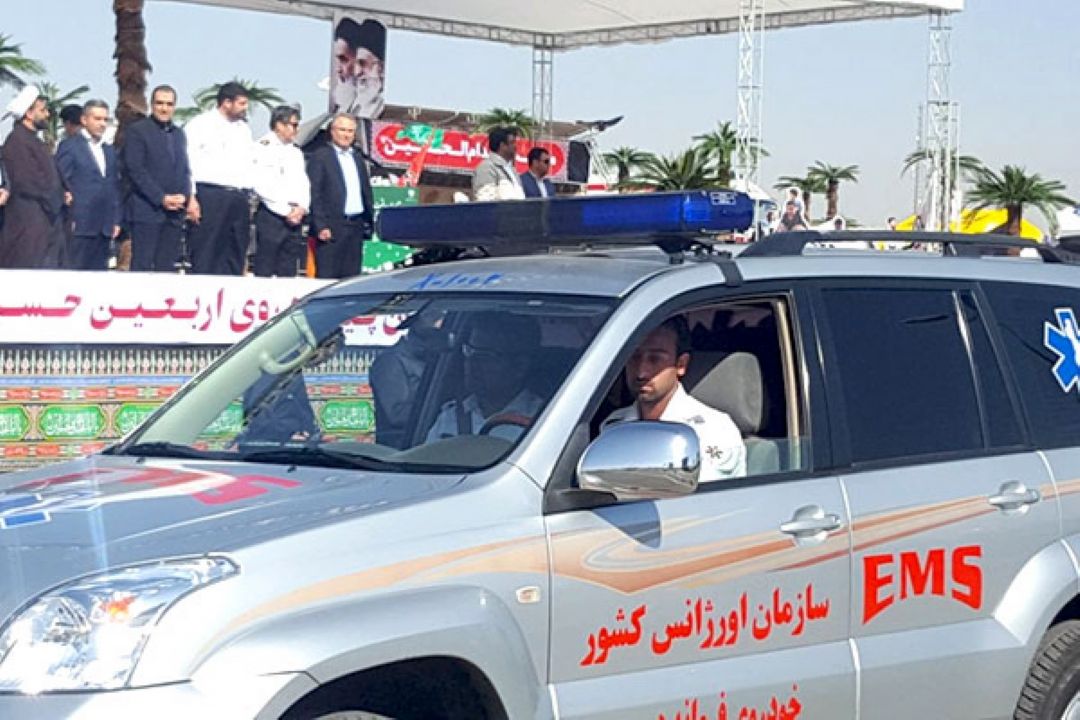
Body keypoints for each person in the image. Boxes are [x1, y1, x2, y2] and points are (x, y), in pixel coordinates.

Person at [602, 315, 746, 481]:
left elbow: (706, 494)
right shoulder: (612, 426)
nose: (641, 372)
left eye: (655, 359)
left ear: (681, 365)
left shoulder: (714, 429)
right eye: (634, 357)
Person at [426, 313, 543, 442]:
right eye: (469, 351)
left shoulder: (543, 420)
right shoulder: (449, 417)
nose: (471, 362)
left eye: (485, 356)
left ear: (520, 366)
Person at [184, 81, 255, 275]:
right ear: (226, 103)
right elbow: (187, 162)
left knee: (235, 251)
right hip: (211, 194)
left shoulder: (244, 129)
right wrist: (191, 197)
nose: (245, 108)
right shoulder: (200, 124)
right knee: (207, 251)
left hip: (239, 196)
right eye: (241, 103)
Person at [122, 84, 192, 272]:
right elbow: (136, 170)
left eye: (169, 104)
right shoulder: (138, 131)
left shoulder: (178, 134)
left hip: (174, 213)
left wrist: (184, 196)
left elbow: (184, 168)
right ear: (152, 105)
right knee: (143, 266)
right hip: (147, 211)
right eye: (160, 103)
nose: (164, 108)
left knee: (166, 268)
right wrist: (161, 198)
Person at [0, 86, 67, 269]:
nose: (47, 115)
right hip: (28, 222)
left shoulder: (34, 141)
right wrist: (53, 197)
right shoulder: (17, 141)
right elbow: (27, 182)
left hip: (44, 221)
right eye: (42, 110)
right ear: (29, 114)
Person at [55, 100, 122, 271]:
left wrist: (115, 219)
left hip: (104, 226)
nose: (102, 124)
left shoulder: (109, 150)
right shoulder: (70, 147)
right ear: (84, 120)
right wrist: (68, 216)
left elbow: (114, 186)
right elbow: (61, 182)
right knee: (75, 273)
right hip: (80, 225)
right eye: (97, 119)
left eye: (105, 119)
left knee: (98, 275)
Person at [306, 112, 374, 279]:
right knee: (328, 277)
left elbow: (365, 191)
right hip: (332, 227)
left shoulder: (357, 158)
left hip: (355, 226)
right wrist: (320, 225)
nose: (346, 135)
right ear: (332, 131)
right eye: (342, 130)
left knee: (351, 278)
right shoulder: (321, 156)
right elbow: (314, 193)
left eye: (350, 131)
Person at [370, 309, 446, 449]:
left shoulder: (438, 360)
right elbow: (397, 415)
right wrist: (442, 408)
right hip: (402, 451)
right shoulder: (392, 361)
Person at [252, 105, 309, 277]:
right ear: (279, 125)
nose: (297, 130)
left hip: (295, 217)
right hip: (273, 214)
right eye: (293, 125)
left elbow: (303, 182)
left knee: (289, 269)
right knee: (265, 267)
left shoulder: (295, 152)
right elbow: (261, 184)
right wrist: (286, 210)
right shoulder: (262, 147)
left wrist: (302, 207)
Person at [331, 17, 387, 119]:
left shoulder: (388, 113)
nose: (357, 72)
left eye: (363, 63)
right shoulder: (351, 106)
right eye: (356, 63)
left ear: (382, 68)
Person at [472, 127, 524, 201]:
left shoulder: (511, 169)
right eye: (512, 143)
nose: (515, 146)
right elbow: (486, 200)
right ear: (502, 145)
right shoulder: (486, 168)